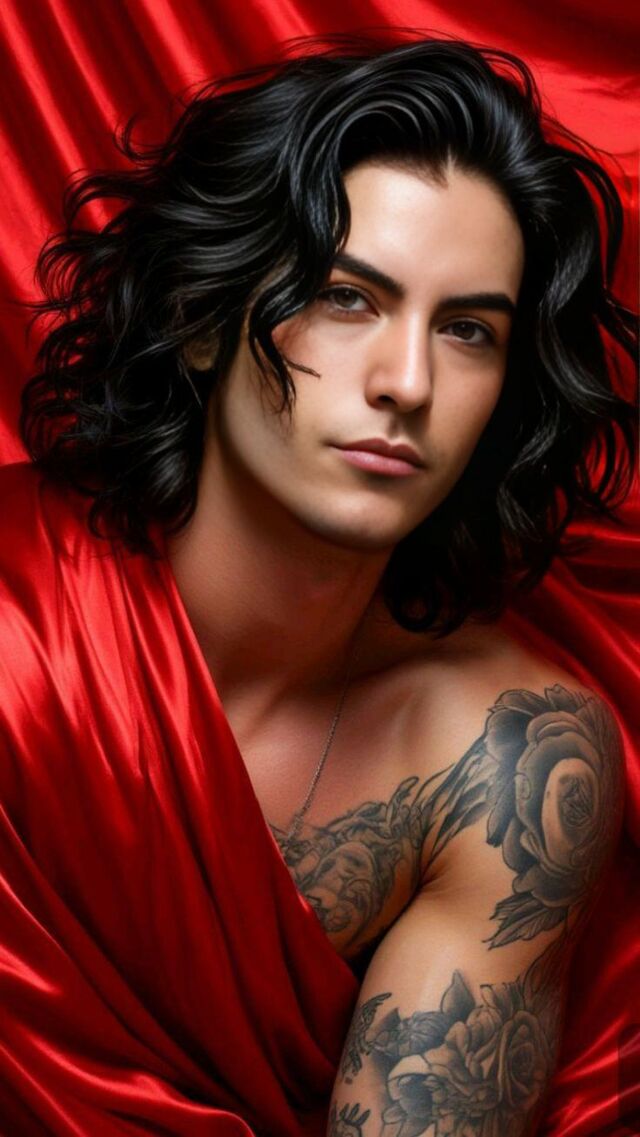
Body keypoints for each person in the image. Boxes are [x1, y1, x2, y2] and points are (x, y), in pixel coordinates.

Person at [1, 29, 636, 1137]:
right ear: (200, 317)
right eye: (346, 297)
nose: (407, 382)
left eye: (468, 330)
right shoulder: (22, 619)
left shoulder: (506, 761)